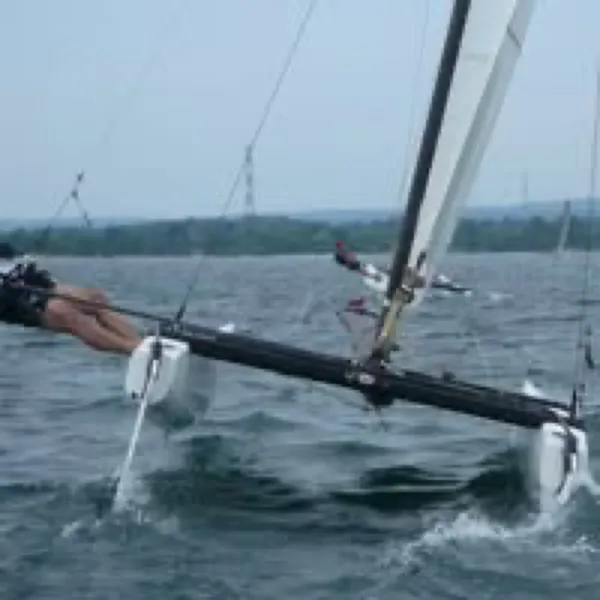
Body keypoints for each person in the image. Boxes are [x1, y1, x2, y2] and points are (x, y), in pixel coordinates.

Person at [0, 242, 142, 354]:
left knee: (94, 299)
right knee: (63, 311)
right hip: (17, 303)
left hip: (34, 282)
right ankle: (131, 349)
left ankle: (140, 344)